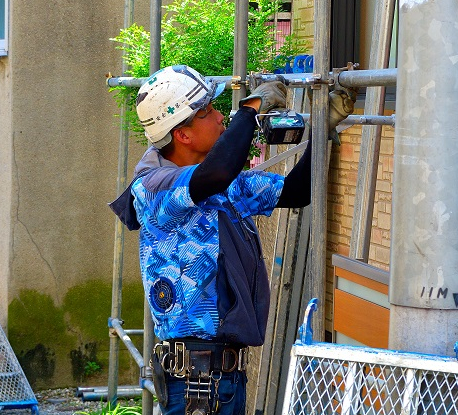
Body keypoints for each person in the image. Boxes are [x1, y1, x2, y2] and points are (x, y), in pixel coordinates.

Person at [110, 64, 354, 415]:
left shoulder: (220, 188)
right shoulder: (153, 187)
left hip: (222, 379)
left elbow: (296, 192)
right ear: (183, 135)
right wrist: (251, 109)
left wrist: (324, 129)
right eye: (208, 111)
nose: (220, 116)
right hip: (196, 382)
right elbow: (217, 173)